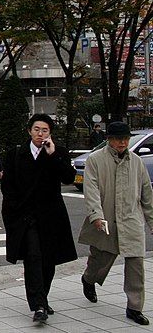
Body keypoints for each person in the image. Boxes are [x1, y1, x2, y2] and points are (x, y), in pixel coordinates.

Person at [1, 113, 77, 323]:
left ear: (50, 133)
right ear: (29, 131)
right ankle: (39, 305)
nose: (40, 134)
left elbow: (69, 178)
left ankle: (43, 297)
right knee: (33, 257)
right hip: (26, 216)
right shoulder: (16, 153)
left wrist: (53, 155)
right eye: (36, 129)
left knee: (48, 261)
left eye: (44, 130)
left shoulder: (57, 152)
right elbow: (8, 187)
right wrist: (12, 213)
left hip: (51, 217)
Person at [78, 121, 153, 326]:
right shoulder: (95, 160)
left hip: (131, 219)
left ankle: (134, 307)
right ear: (109, 140)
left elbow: (147, 195)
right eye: (119, 139)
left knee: (136, 264)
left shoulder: (136, 162)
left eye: (126, 139)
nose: (123, 143)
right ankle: (88, 279)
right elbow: (91, 189)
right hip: (106, 219)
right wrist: (96, 216)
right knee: (101, 258)